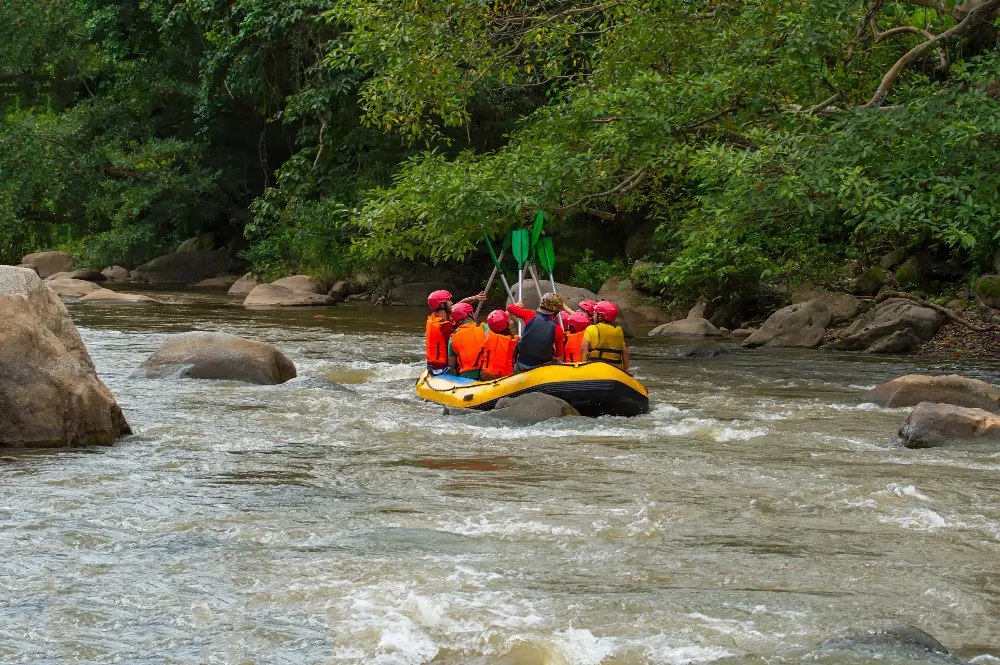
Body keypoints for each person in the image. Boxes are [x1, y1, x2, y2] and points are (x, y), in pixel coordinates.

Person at [425, 289, 485, 373]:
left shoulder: (437, 316)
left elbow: (459, 305)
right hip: (441, 366)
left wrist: (475, 298)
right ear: (442, 305)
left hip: (432, 363)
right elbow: (457, 341)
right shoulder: (444, 326)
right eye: (449, 300)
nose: (452, 303)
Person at [507, 293, 566, 373]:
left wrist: (517, 305)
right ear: (557, 310)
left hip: (521, 365)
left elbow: (509, 308)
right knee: (560, 362)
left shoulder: (529, 315)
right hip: (541, 368)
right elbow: (559, 355)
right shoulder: (558, 330)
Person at [580, 301, 628, 372]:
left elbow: (583, 349)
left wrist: (582, 367)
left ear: (600, 316)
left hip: (596, 369)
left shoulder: (591, 329)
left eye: (595, 314)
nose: (593, 316)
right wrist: (625, 370)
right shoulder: (619, 330)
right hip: (615, 370)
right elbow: (625, 352)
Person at [447, 303, 486, 379]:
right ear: (470, 314)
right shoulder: (484, 327)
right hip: (487, 372)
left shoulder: (453, 337)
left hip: (466, 377)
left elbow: (451, 364)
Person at [479, 310, 518, 380]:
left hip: (486, 375)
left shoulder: (487, 336)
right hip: (505, 377)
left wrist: (508, 313)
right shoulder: (514, 340)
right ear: (507, 324)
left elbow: (491, 325)